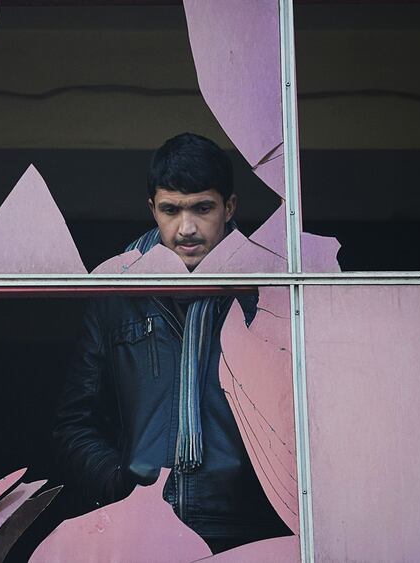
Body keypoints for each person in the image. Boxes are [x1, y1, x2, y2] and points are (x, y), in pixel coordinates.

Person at [53, 133, 291, 553]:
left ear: (229, 207)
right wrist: (120, 484)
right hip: (142, 527)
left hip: (247, 532)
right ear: (152, 209)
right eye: (171, 210)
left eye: (203, 208)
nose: (187, 228)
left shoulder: (268, 294)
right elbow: (75, 422)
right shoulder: (118, 295)